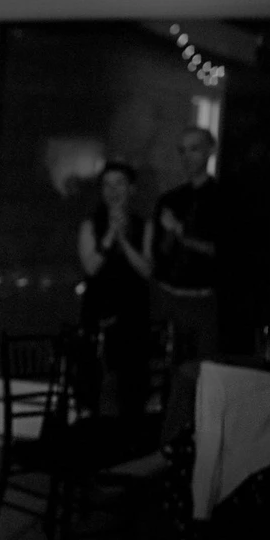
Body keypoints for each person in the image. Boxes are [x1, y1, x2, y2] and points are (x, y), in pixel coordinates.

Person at [76, 161, 153, 417]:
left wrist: (124, 240)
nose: (113, 190)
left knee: (131, 388)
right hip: (97, 314)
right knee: (93, 383)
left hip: (133, 316)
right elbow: (91, 267)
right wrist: (110, 235)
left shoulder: (144, 226)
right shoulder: (90, 225)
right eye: (107, 184)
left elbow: (147, 270)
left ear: (132, 188)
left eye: (119, 183)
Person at [150, 127, 225, 360]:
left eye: (194, 149)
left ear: (211, 150)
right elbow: (160, 253)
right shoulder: (171, 199)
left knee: (197, 372)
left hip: (202, 301)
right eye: (182, 150)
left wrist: (180, 233)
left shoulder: (223, 199)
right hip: (167, 297)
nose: (187, 157)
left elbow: (223, 252)